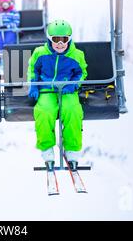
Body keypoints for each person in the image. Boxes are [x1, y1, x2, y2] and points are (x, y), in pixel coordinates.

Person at [27, 20, 88, 172]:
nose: (60, 43)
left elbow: (81, 73)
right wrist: (34, 85)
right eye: (55, 39)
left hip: (67, 90)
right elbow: (33, 70)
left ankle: (72, 150)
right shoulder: (40, 53)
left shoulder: (76, 55)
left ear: (69, 39)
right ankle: (47, 149)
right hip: (46, 89)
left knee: (72, 111)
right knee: (44, 111)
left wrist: (73, 84)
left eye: (64, 39)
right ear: (49, 39)